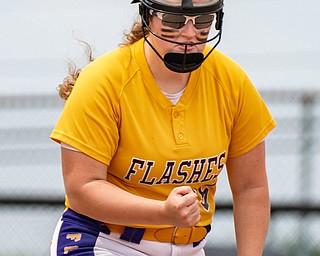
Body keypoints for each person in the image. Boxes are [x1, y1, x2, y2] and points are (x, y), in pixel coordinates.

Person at [50, 0, 276, 255]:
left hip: (189, 247)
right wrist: (163, 213)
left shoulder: (231, 83)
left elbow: (251, 188)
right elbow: (82, 189)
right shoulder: (103, 81)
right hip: (104, 240)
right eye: (173, 21)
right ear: (148, 17)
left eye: (203, 21)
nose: (190, 33)